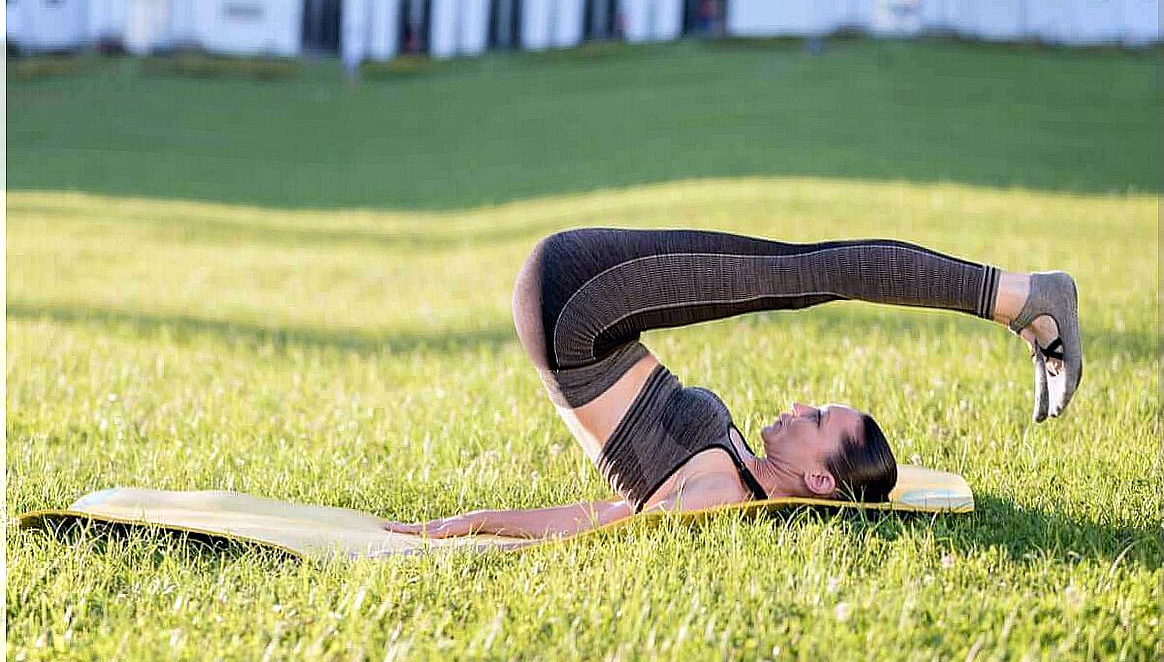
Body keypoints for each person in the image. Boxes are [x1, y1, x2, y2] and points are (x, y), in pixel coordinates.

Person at [385, 228, 1081, 541]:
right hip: (593, 307)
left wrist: (466, 525)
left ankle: (1024, 297)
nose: (802, 406)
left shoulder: (718, 498)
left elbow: (588, 525)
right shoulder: (748, 468)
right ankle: (1019, 301)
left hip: (575, 307)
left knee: (808, 272)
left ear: (817, 480)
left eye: (818, 421)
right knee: (804, 272)